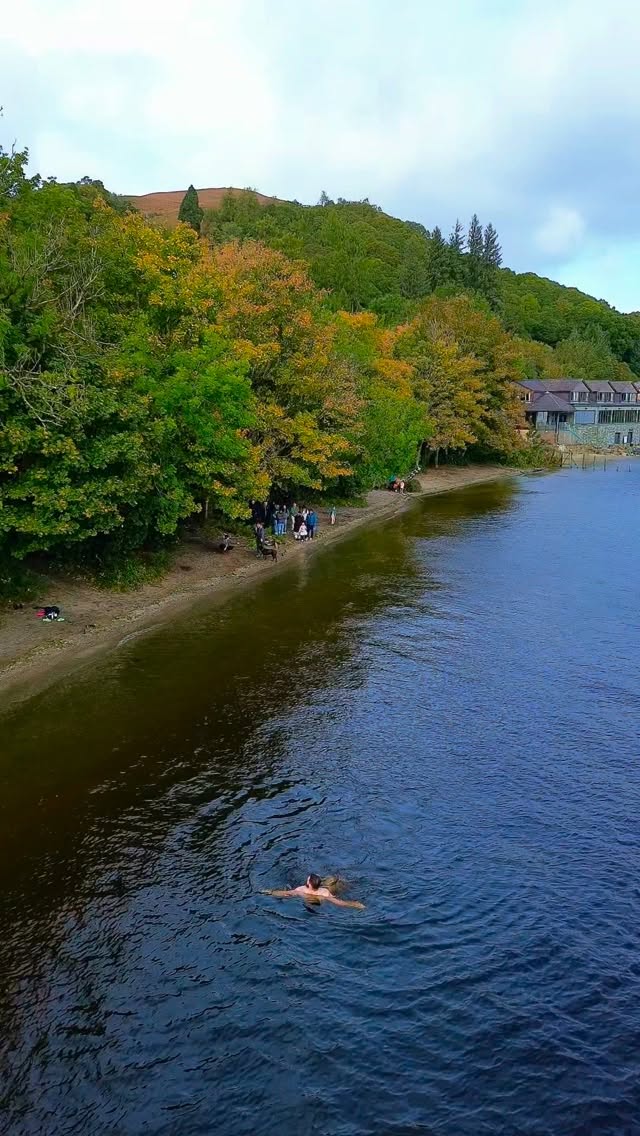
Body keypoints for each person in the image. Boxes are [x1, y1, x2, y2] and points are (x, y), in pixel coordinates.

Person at [262, 874, 365, 909]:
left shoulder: (301, 890)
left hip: (306, 902)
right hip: (321, 904)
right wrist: (356, 905)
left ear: (309, 883)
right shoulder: (324, 892)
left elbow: (285, 894)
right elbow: (339, 903)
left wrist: (270, 892)